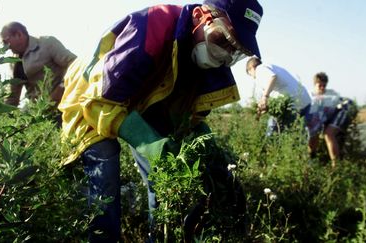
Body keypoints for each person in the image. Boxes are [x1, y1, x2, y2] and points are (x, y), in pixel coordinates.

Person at [59, 0, 263, 241]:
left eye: (235, 50)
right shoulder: (152, 27)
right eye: (222, 39)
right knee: (104, 162)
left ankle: (159, 236)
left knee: (165, 172)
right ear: (200, 16)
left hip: (142, 99)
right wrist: (151, 144)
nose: (225, 55)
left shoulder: (209, 60)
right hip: (90, 97)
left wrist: (202, 147)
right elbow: (97, 103)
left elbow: (186, 120)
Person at [0, 22, 77, 107]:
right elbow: (12, 98)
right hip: (42, 113)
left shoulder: (47, 44)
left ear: (19, 34)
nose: (5, 47)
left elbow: (75, 64)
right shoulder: (13, 63)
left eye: (5, 41)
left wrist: (62, 87)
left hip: (67, 104)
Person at [246, 57, 312, 136]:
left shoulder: (260, 69)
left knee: (272, 132)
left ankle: (269, 147)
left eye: (250, 74)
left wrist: (265, 97)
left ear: (251, 68)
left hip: (291, 103)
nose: (253, 77)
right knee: (299, 136)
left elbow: (272, 77)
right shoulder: (273, 67)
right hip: (305, 102)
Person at [308, 72, 354, 167]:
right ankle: (312, 156)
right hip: (321, 119)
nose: (322, 88)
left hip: (339, 114)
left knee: (329, 134)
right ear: (315, 84)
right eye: (320, 85)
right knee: (313, 134)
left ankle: (335, 165)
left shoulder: (332, 94)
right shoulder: (309, 95)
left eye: (324, 85)